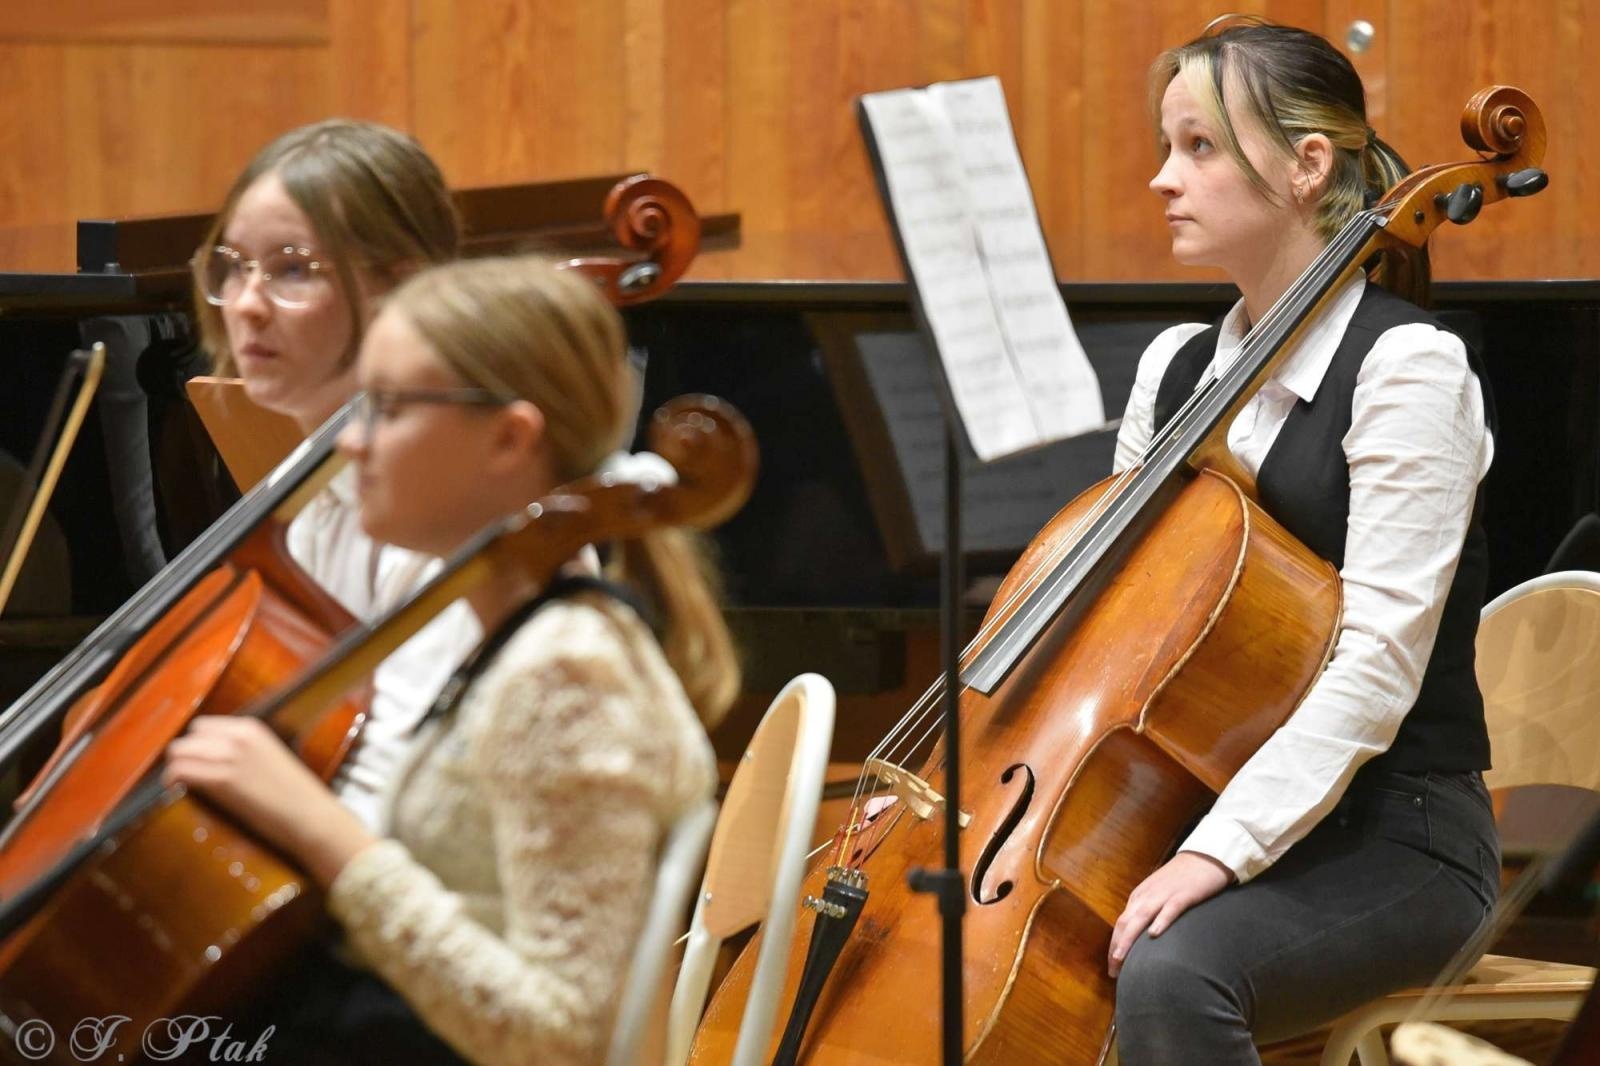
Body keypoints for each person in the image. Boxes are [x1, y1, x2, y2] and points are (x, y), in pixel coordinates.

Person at [166, 254, 737, 1066]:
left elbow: (559, 1035)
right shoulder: (513, 635)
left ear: (509, 437)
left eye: (390, 409)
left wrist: (323, 834)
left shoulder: (568, 675)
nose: (354, 442)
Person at [1104, 18, 1499, 1064]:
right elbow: (1113, 627)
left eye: (1196, 147)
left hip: (1399, 831)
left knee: (1173, 969)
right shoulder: (1175, 367)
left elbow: (1374, 664)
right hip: (1200, 793)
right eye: (1164, 146)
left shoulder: (1407, 368)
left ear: (1304, 165)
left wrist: (1216, 855)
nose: (1162, 179)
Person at [191, 118, 481, 829]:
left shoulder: (441, 510)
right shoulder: (303, 476)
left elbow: (404, 803)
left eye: (293, 268)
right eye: (233, 265)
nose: (247, 304)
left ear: (399, 287)